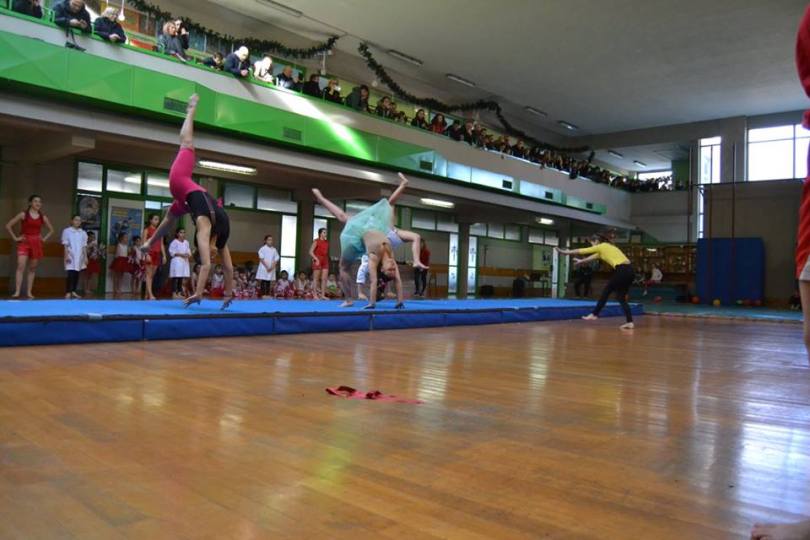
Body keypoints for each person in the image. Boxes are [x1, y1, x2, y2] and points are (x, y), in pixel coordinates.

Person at [140, 94, 235, 308]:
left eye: (208, 251)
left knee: (187, 143)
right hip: (186, 186)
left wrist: (205, 293)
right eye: (209, 250)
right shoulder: (200, 221)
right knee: (187, 143)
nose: (210, 252)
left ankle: (191, 110)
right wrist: (207, 293)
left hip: (184, 189)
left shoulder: (202, 222)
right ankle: (191, 110)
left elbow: (211, 265)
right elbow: (211, 265)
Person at [311, 181, 406, 309]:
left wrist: (372, 304)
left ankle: (349, 299)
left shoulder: (373, 258)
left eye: (391, 269)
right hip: (372, 229)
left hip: (356, 238)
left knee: (343, 267)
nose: (393, 267)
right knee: (388, 207)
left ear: (382, 269)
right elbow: (398, 281)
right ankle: (403, 185)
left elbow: (373, 282)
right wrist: (400, 301)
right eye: (393, 269)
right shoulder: (391, 258)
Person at [556, 232, 635, 330]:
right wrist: (581, 261)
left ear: (596, 241)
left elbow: (583, 251)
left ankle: (594, 314)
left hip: (622, 270)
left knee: (607, 291)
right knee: (621, 298)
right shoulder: (607, 248)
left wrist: (565, 252)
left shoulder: (602, 246)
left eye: (592, 243)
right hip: (630, 271)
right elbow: (592, 257)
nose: (592, 246)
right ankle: (630, 322)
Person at [5, 194, 54, 299]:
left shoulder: (42, 216)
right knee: (20, 266)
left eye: (40, 202)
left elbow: (51, 230)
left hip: (36, 243)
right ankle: (17, 291)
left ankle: (29, 292)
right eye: (36, 201)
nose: (38, 203)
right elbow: (8, 225)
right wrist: (15, 238)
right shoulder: (23, 214)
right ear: (30, 203)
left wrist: (43, 239)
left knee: (32, 268)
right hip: (24, 242)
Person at [61, 214, 87, 300]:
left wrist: (85, 257)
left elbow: (84, 246)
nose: (77, 222)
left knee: (77, 273)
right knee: (70, 273)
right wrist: (66, 256)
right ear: (72, 221)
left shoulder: (83, 233)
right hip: (71, 255)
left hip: (79, 255)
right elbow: (65, 245)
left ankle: (74, 291)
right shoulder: (67, 231)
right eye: (76, 220)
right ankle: (68, 291)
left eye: (79, 220)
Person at [143, 213, 166, 300]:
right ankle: (151, 294)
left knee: (152, 275)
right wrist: (146, 254)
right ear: (150, 220)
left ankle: (147, 294)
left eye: (158, 219)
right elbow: (144, 243)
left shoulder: (160, 231)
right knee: (149, 275)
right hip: (150, 253)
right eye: (155, 219)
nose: (157, 221)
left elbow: (161, 244)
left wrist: (164, 255)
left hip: (157, 254)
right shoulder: (147, 230)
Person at [169, 228, 191, 299]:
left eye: (184, 232)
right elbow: (172, 252)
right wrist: (181, 255)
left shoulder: (186, 242)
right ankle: (174, 292)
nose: (182, 234)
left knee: (181, 277)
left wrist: (188, 254)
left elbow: (188, 251)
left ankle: (179, 292)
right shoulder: (174, 242)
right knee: (176, 277)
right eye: (181, 232)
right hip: (177, 261)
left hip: (184, 262)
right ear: (177, 234)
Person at [256, 234, 279, 298]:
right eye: (269, 240)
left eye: (271, 240)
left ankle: (268, 294)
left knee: (269, 280)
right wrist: (267, 267)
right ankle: (263, 294)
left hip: (271, 267)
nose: (270, 241)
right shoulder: (262, 249)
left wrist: (272, 266)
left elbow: (276, 258)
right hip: (264, 267)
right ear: (265, 241)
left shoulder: (274, 249)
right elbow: (261, 258)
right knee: (264, 280)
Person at [309, 227, 329, 299]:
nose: (325, 233)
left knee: (324, 279)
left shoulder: (327, 242)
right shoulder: (316, 241)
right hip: (317, 259)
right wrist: (316, 259)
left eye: (326, 232)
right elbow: (310, 252)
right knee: (316, 278)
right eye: (324, 232)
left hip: (325, 260)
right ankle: (315, 295)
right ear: (320, 234)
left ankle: (323, 295)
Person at [109, 232, 130, 298]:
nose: (126, 239)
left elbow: (127, 253)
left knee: (121, 276)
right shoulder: (119, 245)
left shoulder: (127, 246)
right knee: (117, 276)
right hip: (119, 260)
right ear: (121, 238)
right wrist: (115, 261)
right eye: (125, 237)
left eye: (127, 237)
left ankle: (119, 288)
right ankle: (115, 289)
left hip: (124, 260)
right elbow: (116, 254)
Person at [81, 230, 101, 296]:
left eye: (94, 237)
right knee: (86, 275)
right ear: (87, 237)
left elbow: (96, 252)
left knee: (90, 275)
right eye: (91, 237)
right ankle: (85, 289)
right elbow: (85, 252)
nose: (93, 238)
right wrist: (90, 246)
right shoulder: (85, 244)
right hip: (87, 260)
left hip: (93, 260)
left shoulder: (95, 244)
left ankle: (88, 288)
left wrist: (97, 254)